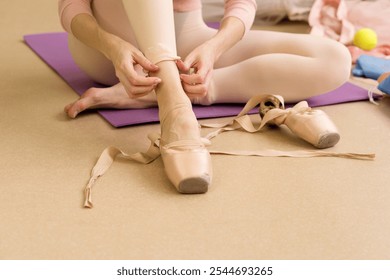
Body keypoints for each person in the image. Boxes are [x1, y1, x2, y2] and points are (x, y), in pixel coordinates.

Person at [58, 0, 351, 194]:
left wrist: (214, 47)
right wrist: (112, 47)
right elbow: (71, 6)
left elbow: (242, 3)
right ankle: (174, 106)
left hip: (185, 36)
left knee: (335, 59)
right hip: (107, 46)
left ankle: (172, 91)